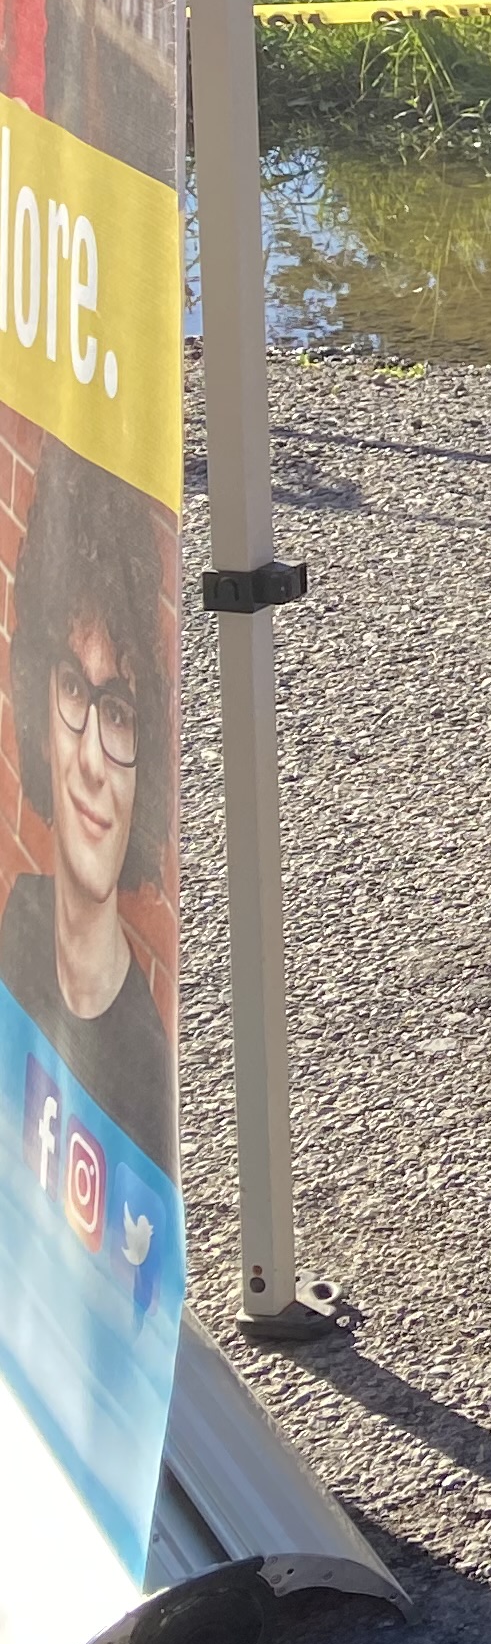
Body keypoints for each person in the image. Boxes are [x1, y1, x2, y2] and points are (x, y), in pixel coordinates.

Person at [3, 437, 176, 1169]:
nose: (94, 762)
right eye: (75, 689)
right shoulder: (17, 927)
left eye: (120, 714)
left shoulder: (145, 1075)